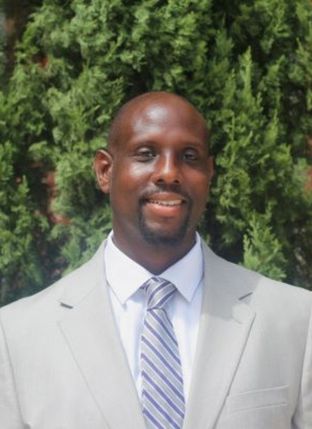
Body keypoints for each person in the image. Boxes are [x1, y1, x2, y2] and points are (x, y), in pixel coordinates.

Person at [0, 92, 311, 429]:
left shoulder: (296, 320)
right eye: (146, 154)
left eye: (189, 156)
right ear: (105, 171)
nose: (168, 172)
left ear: (209, 173)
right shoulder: (17, 336)